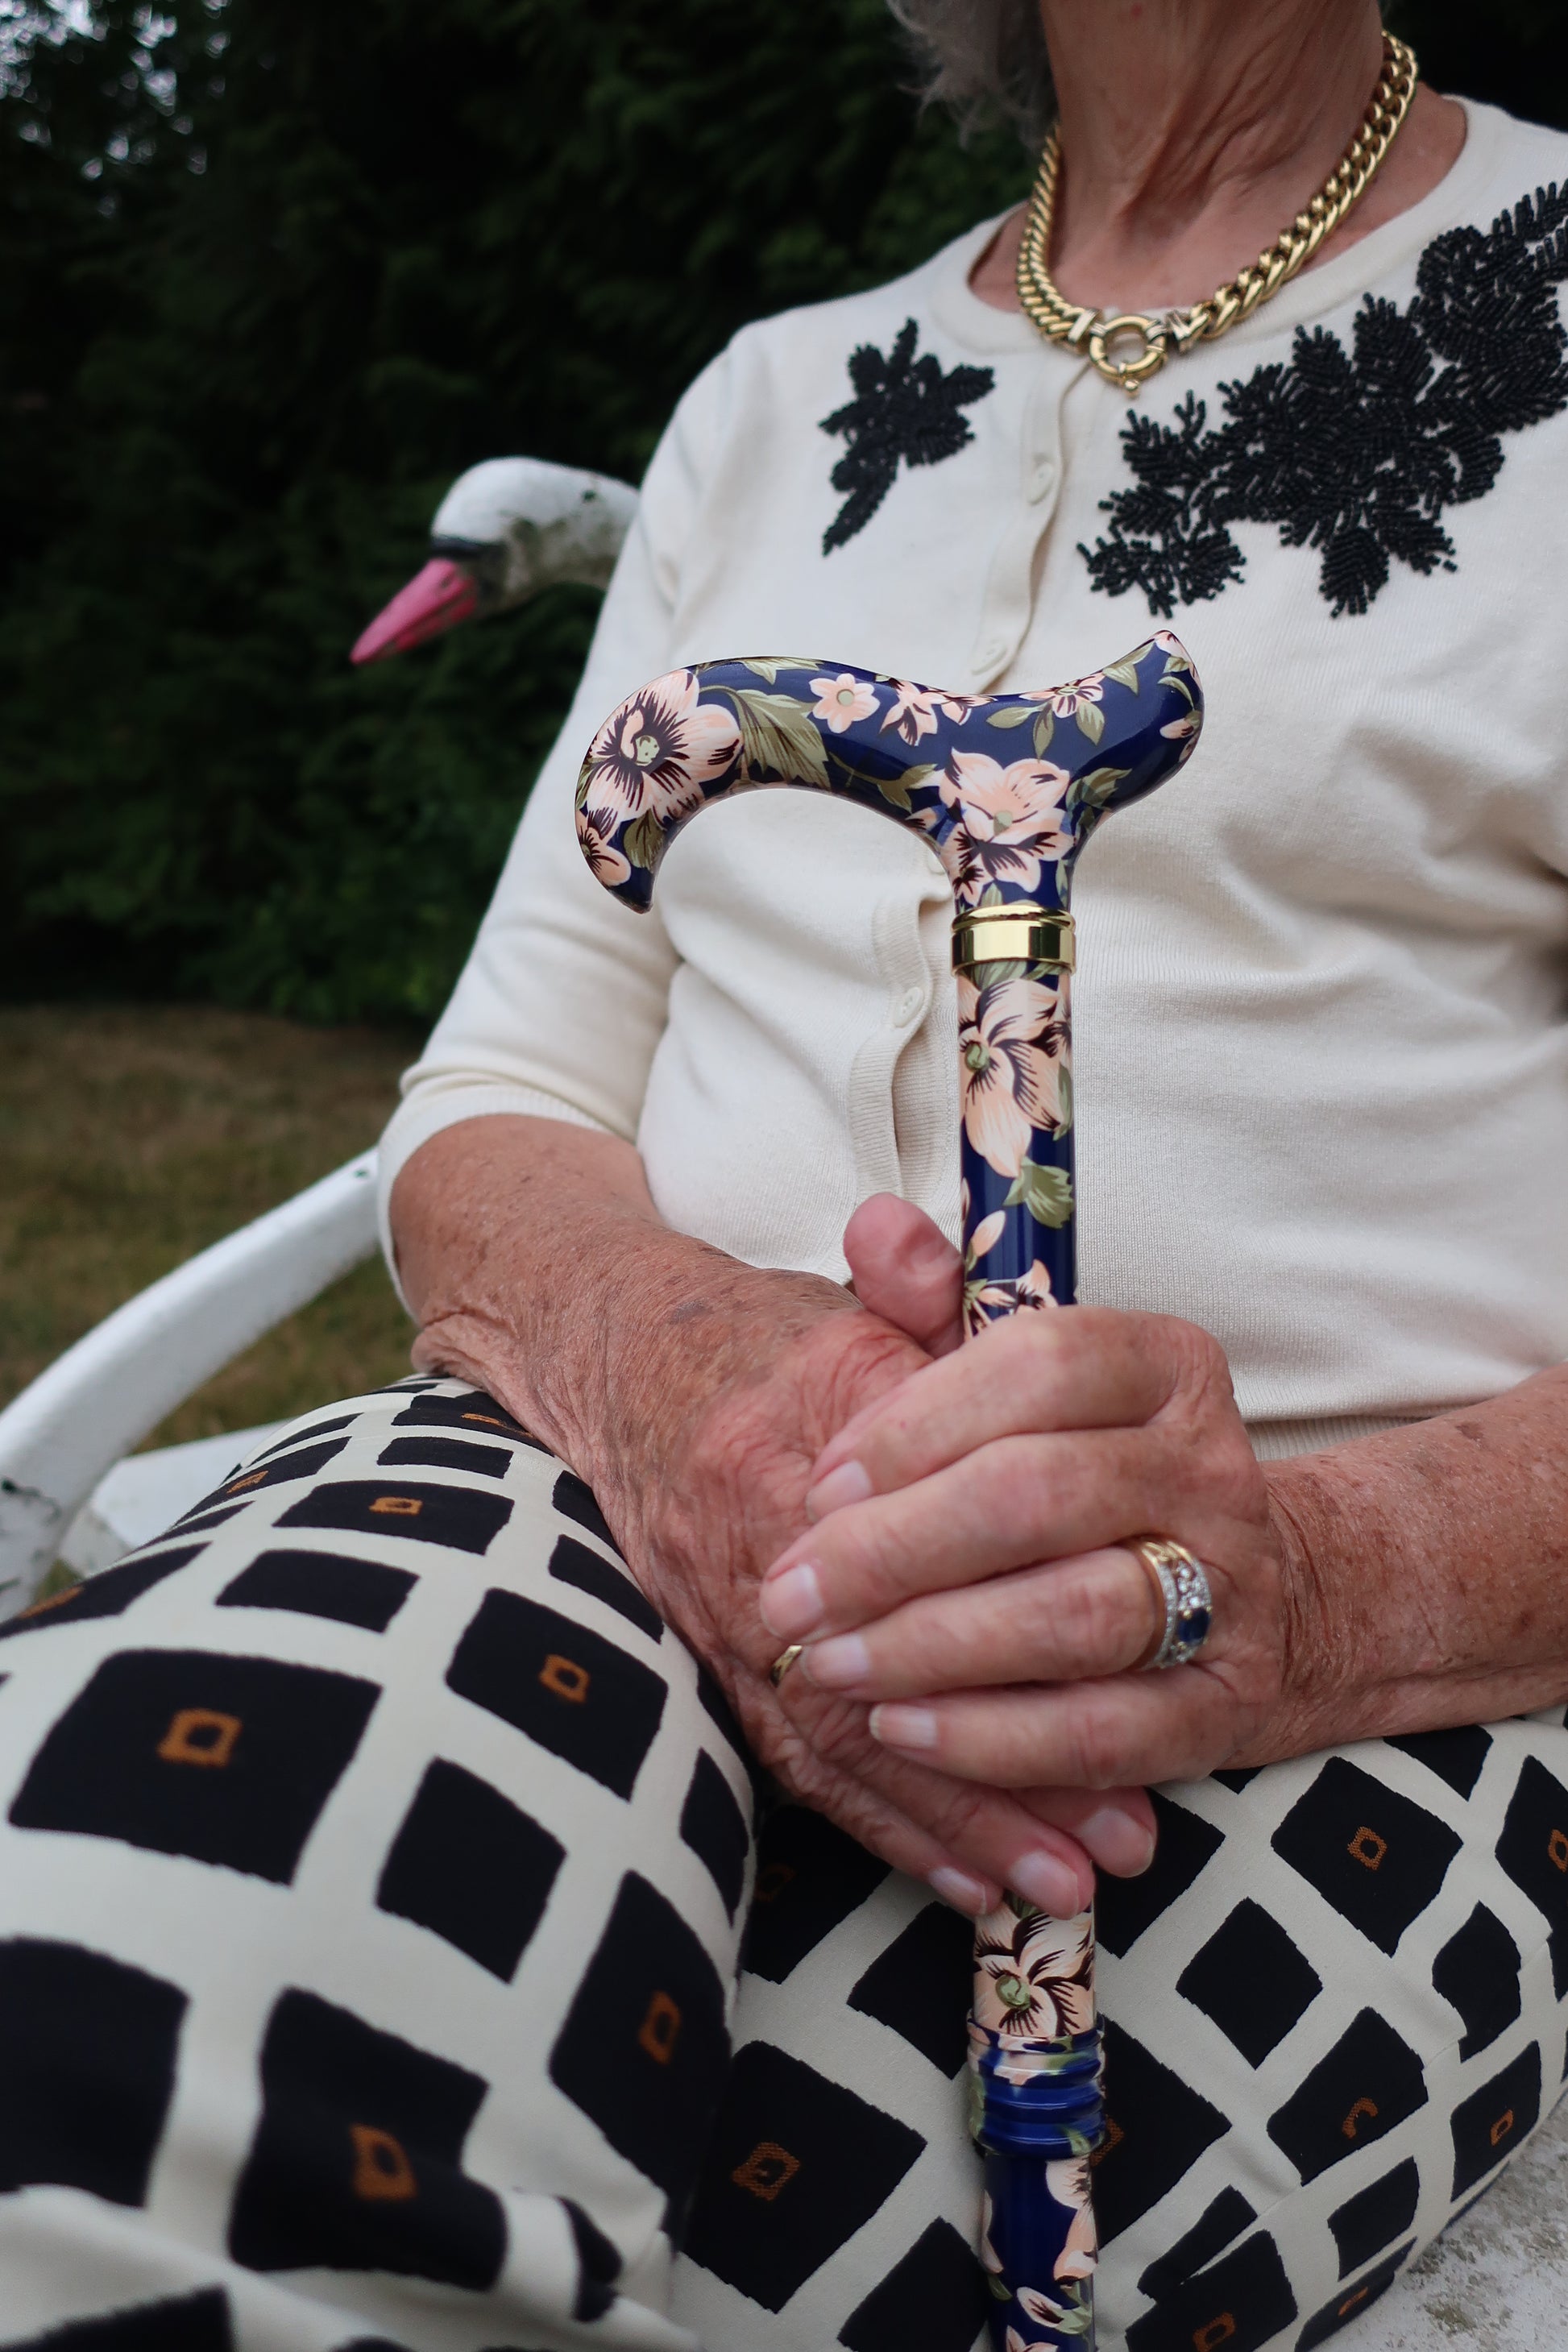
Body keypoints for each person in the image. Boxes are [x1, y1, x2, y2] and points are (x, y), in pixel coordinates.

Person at [2, 3, 1566, 2348]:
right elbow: (501, 1086)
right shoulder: (772, 398)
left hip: (1383, 1666)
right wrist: (685, 1388)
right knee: (122, 2026)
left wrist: (1305, 1587)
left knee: (797, 2268)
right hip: (592, 1489)